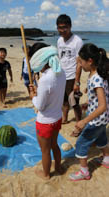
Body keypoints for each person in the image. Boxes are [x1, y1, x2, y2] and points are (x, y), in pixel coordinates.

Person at [69, 43, 109, 181]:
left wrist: (83, 121)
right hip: (103, 119)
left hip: (96, 119)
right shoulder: (98, 74)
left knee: (81, 143)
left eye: (81, 61)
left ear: (90, 61)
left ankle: (84, 172)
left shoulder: (96, 78)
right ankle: (107, 160)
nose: (79, 65)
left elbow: (102, 105)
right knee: (102, 138)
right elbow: (100, 100)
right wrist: (88, 104)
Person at [29, 43, 66, 180]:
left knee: (45, 150)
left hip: (45, 122)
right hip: (57, 118)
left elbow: (40, 105)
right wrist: (38, 89)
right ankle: (58, 167)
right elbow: (53, 92)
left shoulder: (45, 79)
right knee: (54, 145)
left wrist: (33, 96)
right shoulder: (61, 72)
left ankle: (46, 175)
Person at [56, 14, 83, 125]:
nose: (62, 30)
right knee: (63, 100)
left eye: (64, 27)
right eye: (59, 27)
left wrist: (77, 82)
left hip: (72, 76)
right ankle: (65, 118)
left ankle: (79, 123)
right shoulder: (59, 41)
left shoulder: (77, 41)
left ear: (70, 26)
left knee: (74, 102)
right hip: (61, 75)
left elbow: (80, 63)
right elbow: (59, 58)